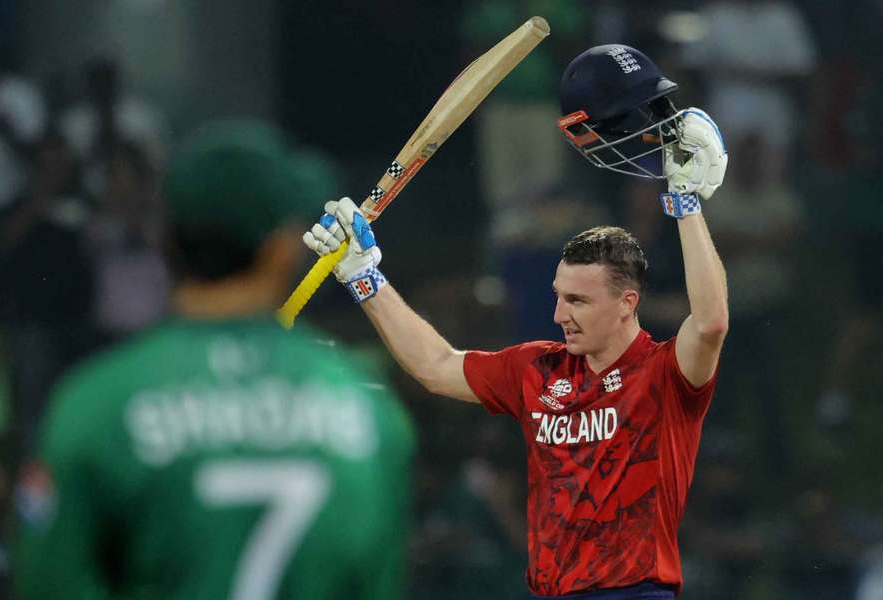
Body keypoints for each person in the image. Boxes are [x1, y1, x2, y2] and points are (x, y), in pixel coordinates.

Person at [305, 45, 729, 598]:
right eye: (558, 297)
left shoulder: (665, 374)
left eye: (578, 301)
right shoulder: (537, 370)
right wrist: (364, 276)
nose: (559, 314)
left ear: (627, 303)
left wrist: (685, 204)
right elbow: (435, 366)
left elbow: (711, 323)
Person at [13, 118, 415, 600]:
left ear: (165, 243)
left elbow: (48, 584)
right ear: (282, 251)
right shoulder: (366, 411)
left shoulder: (95, 406)